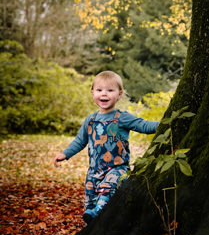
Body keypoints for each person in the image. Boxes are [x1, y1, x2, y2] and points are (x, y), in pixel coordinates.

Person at [53, 71, 159, 223]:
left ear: (119, 94)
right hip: (94, 170)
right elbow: (79, 141)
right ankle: (91, 222)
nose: (104, 94)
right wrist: (65, 154)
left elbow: (142, 125)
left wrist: (163, 124)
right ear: (92, 93)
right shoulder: (91, 120)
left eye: (110, 90)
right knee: (90, 198)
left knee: (108, 188)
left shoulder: (122, 117)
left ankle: (98, 211)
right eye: (99, 90)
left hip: (117, 168)